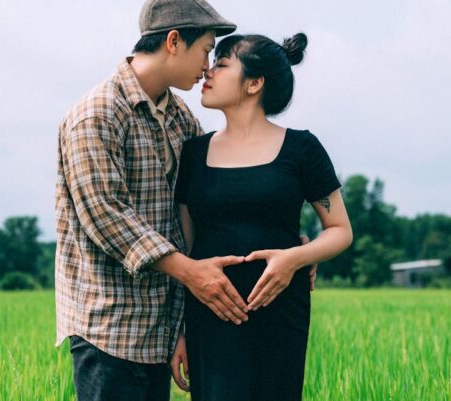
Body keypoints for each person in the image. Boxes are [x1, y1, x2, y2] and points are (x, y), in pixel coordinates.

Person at [54, 1, 245, 400]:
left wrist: (289, 247)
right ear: (174, 41)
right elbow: (107, 216)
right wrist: (193, 273)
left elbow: (203, 204)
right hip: (109, 331)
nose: (208, 66)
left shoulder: (180, 118)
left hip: (161, 331)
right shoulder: (98, 113)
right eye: (206, 49)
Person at [169, 32, 354, 401]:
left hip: (280, 310)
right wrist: (181, 330)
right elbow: (188, 250)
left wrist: (293, 259)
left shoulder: (302, 149)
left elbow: (340, 230)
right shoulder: (192, 153)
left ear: (254, 83)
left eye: (221, 65)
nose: (208, 71)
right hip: (210, 313)